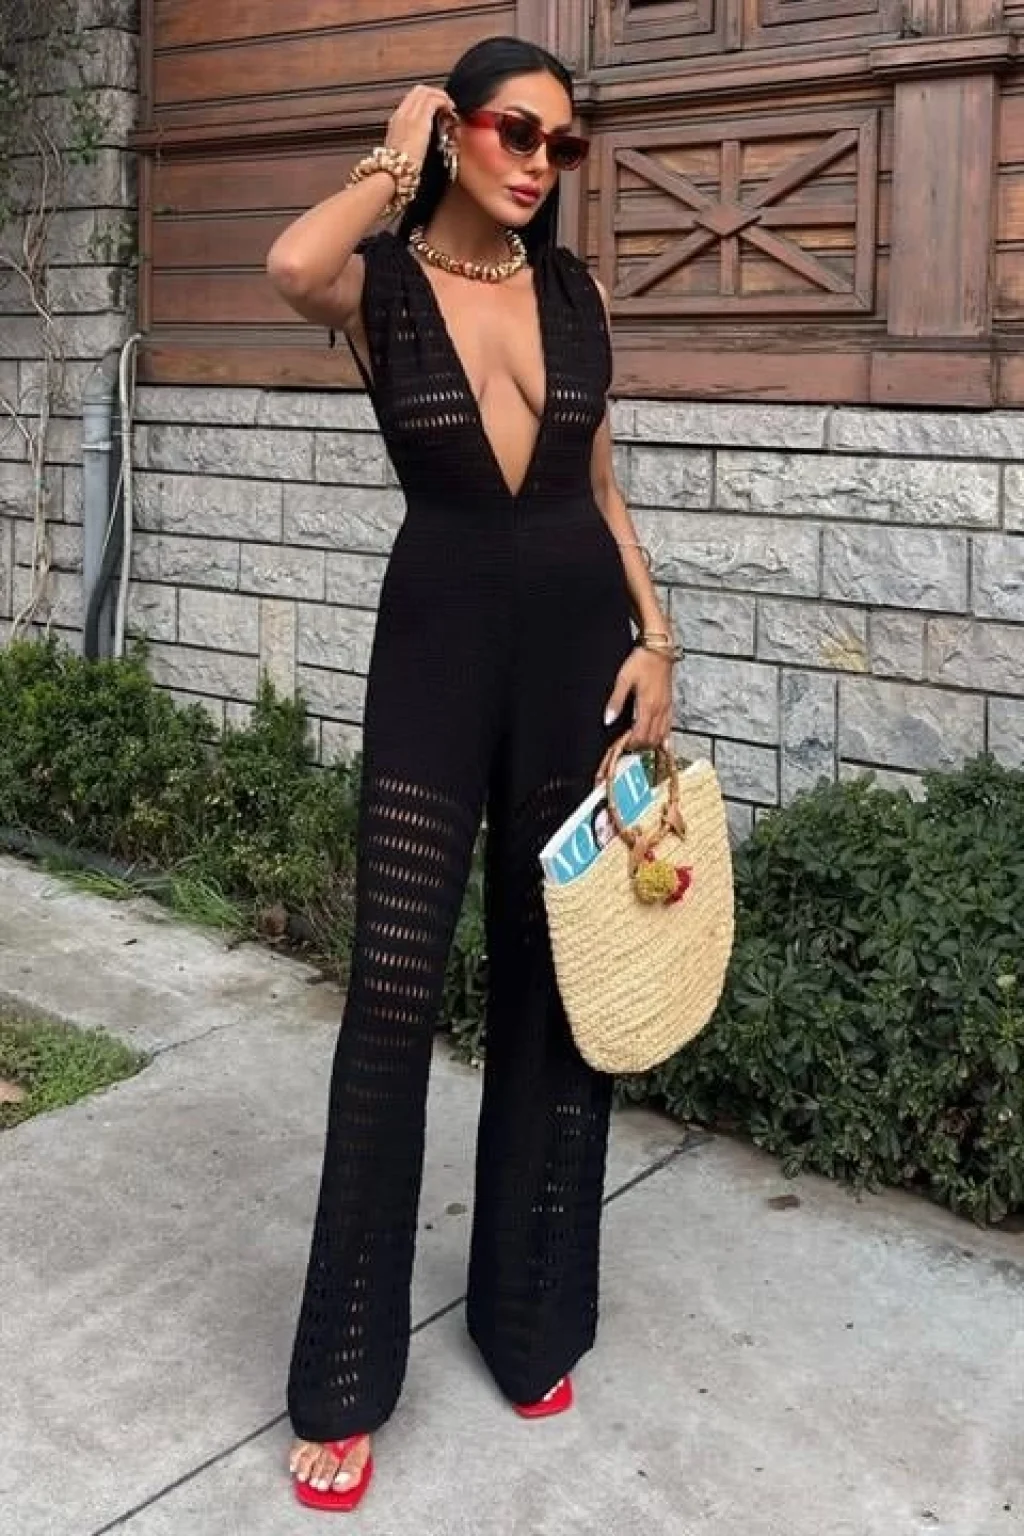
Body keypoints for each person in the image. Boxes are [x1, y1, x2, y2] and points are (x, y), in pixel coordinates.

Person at [266, 34, 680, 1513]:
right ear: (458, 128)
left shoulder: (576, 294)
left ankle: (528, 1321)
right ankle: (344, 1378)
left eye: (563, 144)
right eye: (515, 131)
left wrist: (658, 640)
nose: (538, 163)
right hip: (439, 648)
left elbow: (601, 485)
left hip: (578, 652)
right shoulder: (378, 289)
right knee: (391, 996)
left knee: (552, 988)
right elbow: (288, 261)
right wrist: (395, 158)